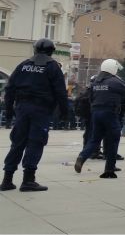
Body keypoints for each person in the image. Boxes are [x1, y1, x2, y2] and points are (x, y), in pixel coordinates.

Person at [2, 38, 69, 192]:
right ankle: (28, 180)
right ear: (51, 51)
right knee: (35, 142)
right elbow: (60, 92)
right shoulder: (52, 67)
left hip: (22, 108)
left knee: (17, 143)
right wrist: (64, 113)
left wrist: (9, 111)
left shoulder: (23, 65)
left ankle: (7, 180)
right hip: (41, 110)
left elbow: (10, 89)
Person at [74, 59, 125, 179]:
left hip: (96, 113)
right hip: (110, 113)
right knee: (113, 140)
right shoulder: (114, 81)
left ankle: (82, 157)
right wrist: (120, 79)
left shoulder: (96, 82)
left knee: (94, 139)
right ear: (113, 69)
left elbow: (90, 98)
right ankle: (109, 169)